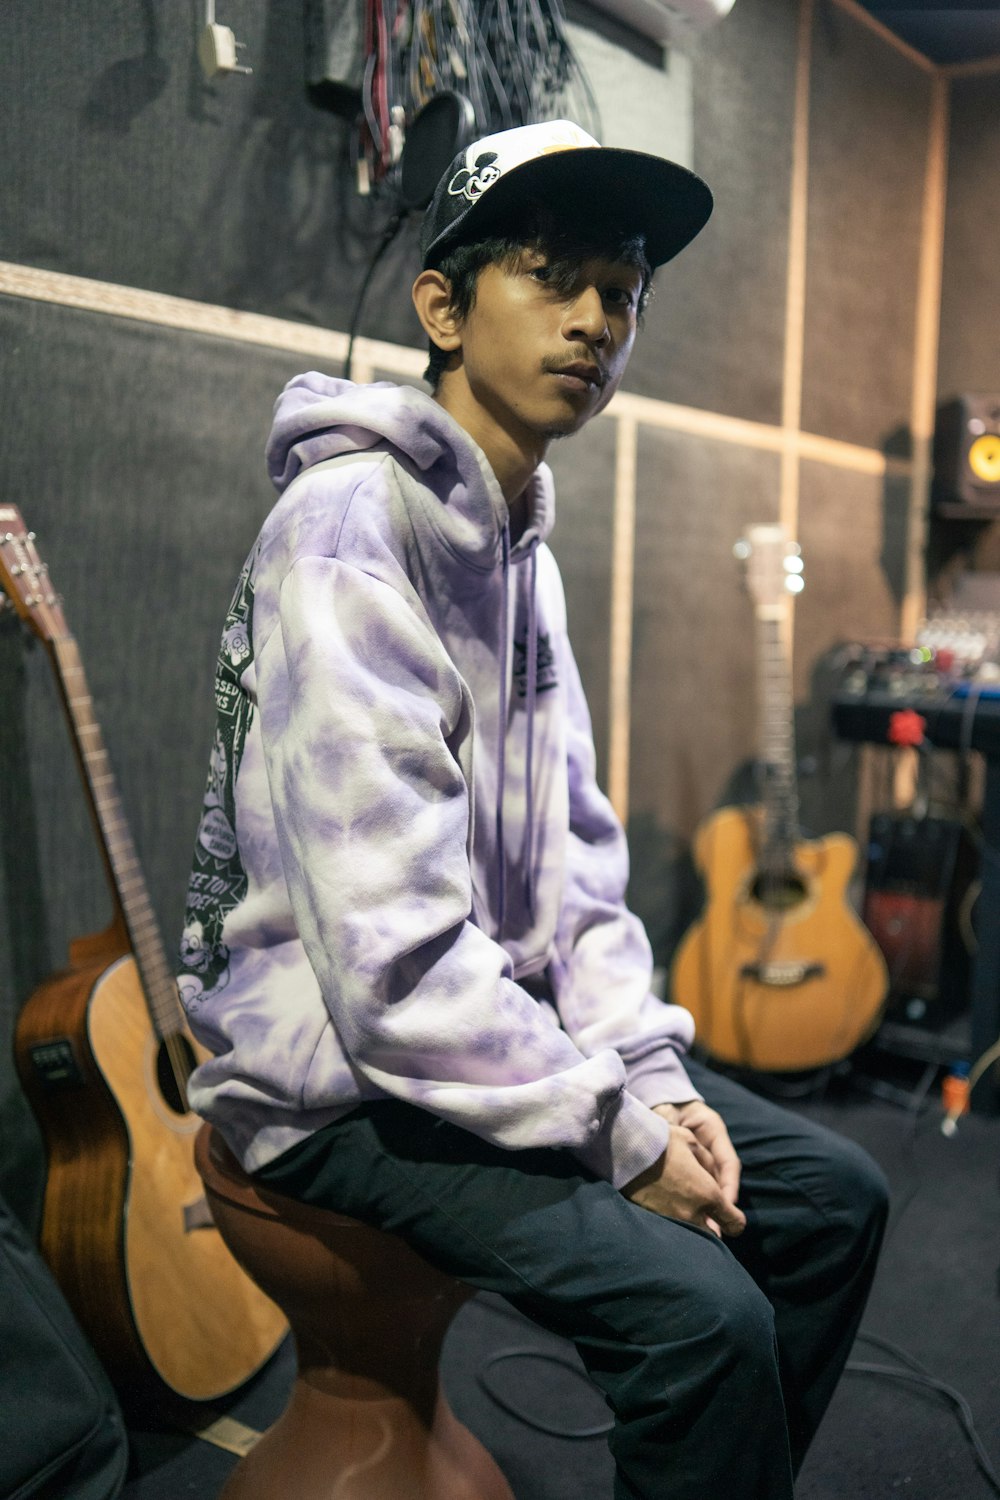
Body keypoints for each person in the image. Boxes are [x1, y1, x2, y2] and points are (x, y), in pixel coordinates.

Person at [177, 119, 888, 1499]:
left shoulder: (521, 556)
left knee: (830, 1202)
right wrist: (624, 1139)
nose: (594, 323)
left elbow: (578, 878)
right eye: (552, 279)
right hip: (333, 1085)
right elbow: (390, 972)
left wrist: (656, 1078)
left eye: (620, 293)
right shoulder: (346, 538)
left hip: (475, 1041)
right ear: (443, 304)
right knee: (704, 1316)